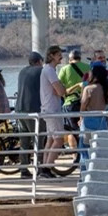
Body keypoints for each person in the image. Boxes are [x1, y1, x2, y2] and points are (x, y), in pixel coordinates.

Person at [39, 45, 67, 177]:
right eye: (59, 55)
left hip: (48, 108)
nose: (61, 57)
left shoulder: (47, 70)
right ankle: (47, 167)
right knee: (59, 139)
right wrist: (62, 88)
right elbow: (61, 91)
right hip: (52, 109)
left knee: (50, 139)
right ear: (52, 56)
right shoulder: (50, 70)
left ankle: (44, 167)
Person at [77, 64, 108, 167]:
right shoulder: (107, 89)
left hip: (88, 120)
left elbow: (83, 106)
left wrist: (80, 118)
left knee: (85, 150)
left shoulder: (88, 89)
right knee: (100, 149)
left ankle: (85, 173)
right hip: (103, 121)